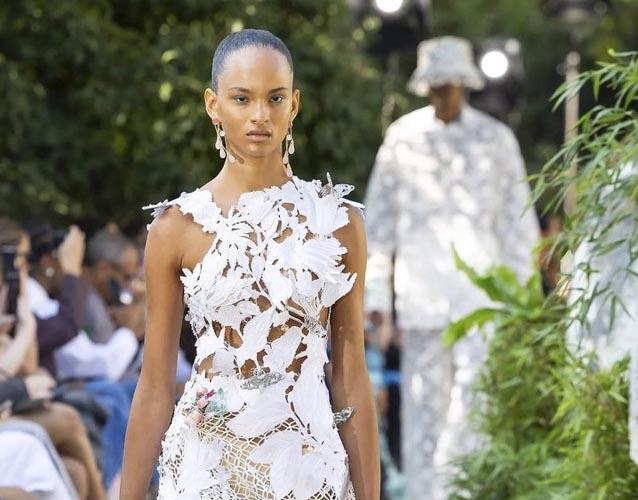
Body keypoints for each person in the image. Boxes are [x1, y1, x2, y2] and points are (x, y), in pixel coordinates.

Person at [121, 29, 380, 500]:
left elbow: (351, 377)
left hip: (307, 469)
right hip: (204, 468)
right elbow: (155, 385)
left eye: (275, 98)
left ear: (294, 105)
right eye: (242, 98)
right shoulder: (176, 227)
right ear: (213, 105)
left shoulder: (338, 222)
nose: (260, 114)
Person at [363, 36, 540, 499]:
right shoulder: (402, 138)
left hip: (482, 304)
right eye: (435, 85)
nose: (442, 93)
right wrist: (377, 299)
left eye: (450, 84)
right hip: (421, 305)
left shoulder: (496, 140)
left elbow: (518, 226)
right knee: (421, 423)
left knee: (474, 415)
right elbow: (379, 226)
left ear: (466, 84)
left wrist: (522, 304)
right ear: (424, 86)